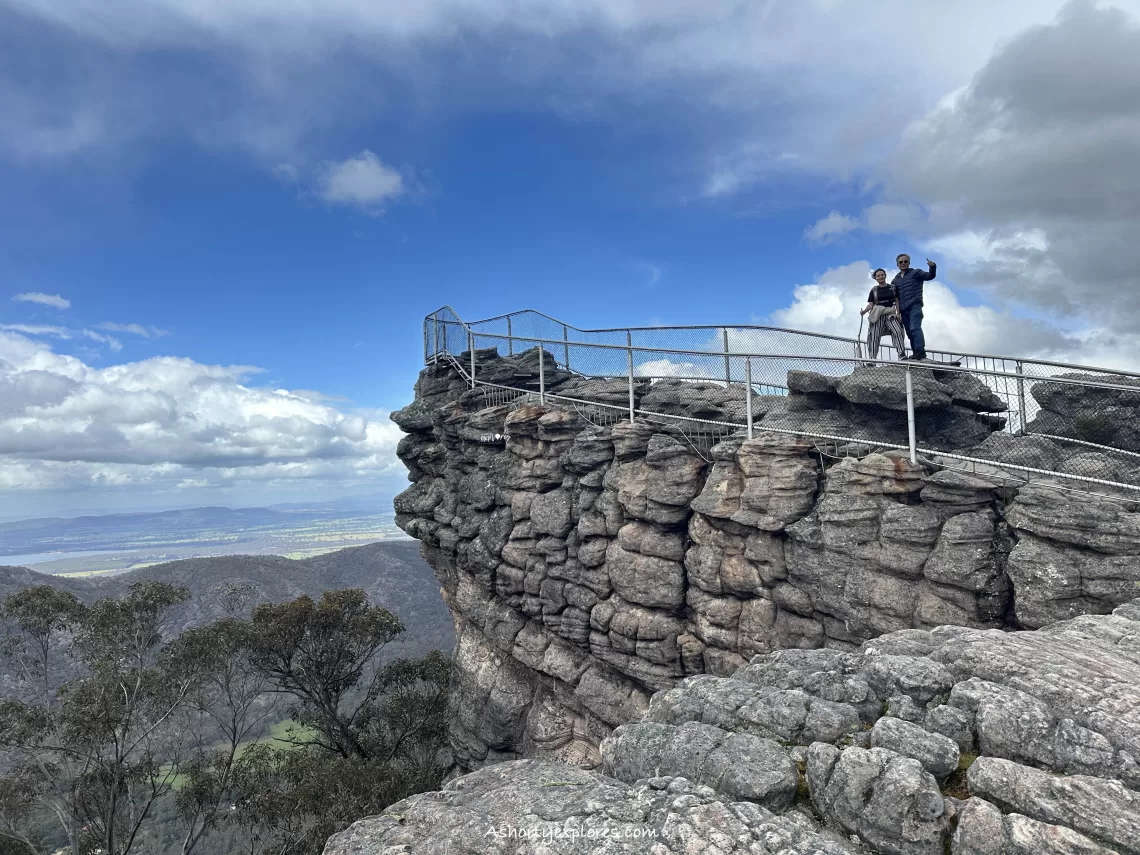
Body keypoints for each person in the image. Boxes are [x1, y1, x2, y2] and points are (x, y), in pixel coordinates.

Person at [890, 253, 936, 360]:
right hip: (903, 310)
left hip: (915, 305)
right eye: (901, 262)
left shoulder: (916, 273)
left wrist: (932, 267)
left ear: (909, 262)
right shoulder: (895, 280)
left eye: (905, 261)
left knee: (915, 328)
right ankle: (916, 353)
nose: (903, 263)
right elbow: (894, 297)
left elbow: (930, 276)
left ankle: (920, 351)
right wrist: (897, 312)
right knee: (909, 332)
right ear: (897, 264)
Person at [860, 268, 907, 361]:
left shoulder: (892, 287)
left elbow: (896, 300)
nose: (880, 277)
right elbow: (871, 304)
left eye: (882, 275)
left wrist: (898, 313)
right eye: (878, 276)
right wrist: (864, 311)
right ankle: (872, 358)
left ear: (885, 275)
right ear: (876, 278)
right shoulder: (874, 290)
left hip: (890, 313)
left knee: (898, 330)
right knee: (874, 335)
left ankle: (901, 354)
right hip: (878, 314)